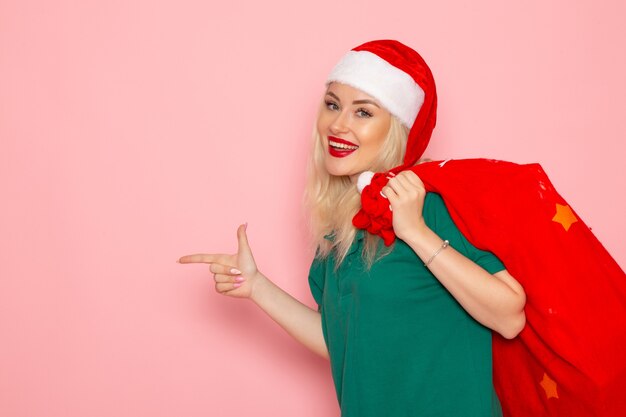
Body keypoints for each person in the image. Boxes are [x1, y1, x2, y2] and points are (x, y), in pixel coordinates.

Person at [179, 40, 526, 417]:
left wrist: (415, 232)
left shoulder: (430, 206)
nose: (338, 124)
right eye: (333, 105)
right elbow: (342, 342)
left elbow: (509, 317)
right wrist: (257, 287)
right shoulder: (339, 231)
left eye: (363, 112)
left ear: (395, 128)